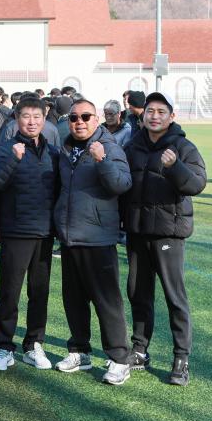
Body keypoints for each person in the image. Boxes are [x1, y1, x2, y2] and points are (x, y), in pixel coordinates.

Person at [121, 92, 206, 386]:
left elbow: (197, 184)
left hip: (168, 234)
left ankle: (181, 358)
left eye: (161, 111)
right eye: (150, 111)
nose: (154, 116)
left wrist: (175, 167)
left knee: (174, 297)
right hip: (137, 232)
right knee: (137, 292)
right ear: (143, 116)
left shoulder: (183, 147)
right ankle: (140, 351)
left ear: (172, 116)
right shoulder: (132, 146)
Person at [53, 99, 134, 385]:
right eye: (74, 117)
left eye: (86, 116)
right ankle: (79, 351)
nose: (80, 121)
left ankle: (119, 358)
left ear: (96, 119)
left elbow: (122, 185)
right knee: (73, 299)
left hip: (98, 237)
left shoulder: (109, 147)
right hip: (70, 235)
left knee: (107, 301)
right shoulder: (64, 148)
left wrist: (102, 160)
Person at [0, 97, 58, 371]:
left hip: (44, 234)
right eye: (26, 116)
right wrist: (14, 161)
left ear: (44, 118)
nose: (31, 122)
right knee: (10, 292)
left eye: (36, 117)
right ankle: (5, 347)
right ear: (17, 118)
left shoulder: (53, 152)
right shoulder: (7, 149)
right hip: (16, 231)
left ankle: (33, 343)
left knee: (39, 293)